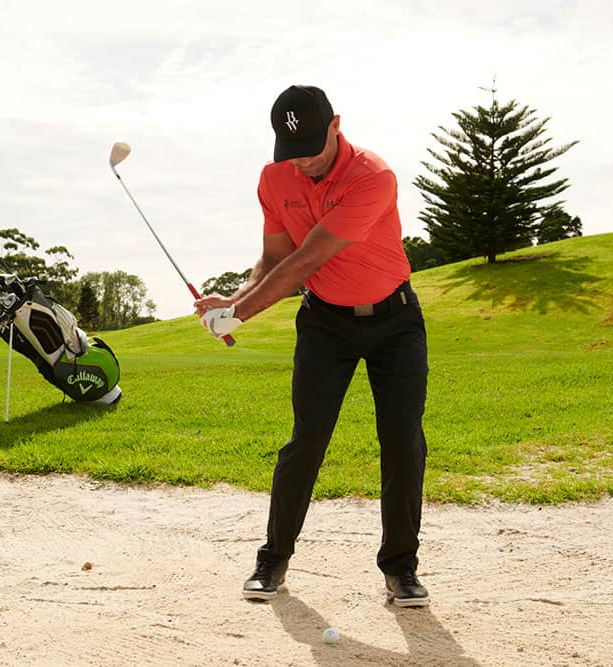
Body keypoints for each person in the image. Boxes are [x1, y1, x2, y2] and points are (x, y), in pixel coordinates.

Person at [194, 85, 430, 608]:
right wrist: (232, 297)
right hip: (326, 324)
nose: (303, 163)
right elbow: (274, 256)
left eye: (312, 150)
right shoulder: (276, 177)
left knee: (402, 441)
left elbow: (305, 262)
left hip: (395, 322)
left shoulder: (373, 176)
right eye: (291, 152)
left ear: (336, 125)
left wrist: (240, 314)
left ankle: (401, 569)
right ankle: (272, 560)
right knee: (307, 440)